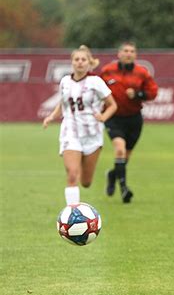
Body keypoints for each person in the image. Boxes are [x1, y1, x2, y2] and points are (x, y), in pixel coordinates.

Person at [43, 45, 117, 205]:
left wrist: (103, 116)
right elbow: (63, 104)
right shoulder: (65, 81)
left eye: (83, 60)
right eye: (77, 59)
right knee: (72, 175)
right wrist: (51, 117)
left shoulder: (96, 82)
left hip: (92, 134)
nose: (80, 63)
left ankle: (83, 165)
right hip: (71, 132)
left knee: (86, 182)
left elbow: (112, 105)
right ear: (72, 62)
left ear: (89, 63)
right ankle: (72, 214)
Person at [100, 41, 158, 203]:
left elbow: (153, 92)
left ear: (135, 55)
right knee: (119, 149)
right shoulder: (107, 71)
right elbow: (96, 89)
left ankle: (112, 175)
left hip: (134, 118)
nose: (128, 53)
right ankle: (124, 189)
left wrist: (138, 94)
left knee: (125, 157)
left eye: (132, 51)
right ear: (119, 54)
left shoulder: (142, 73)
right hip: (113, 117)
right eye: (125, 51)